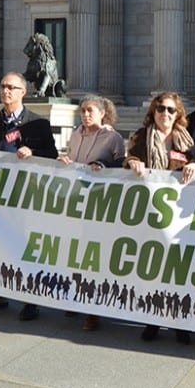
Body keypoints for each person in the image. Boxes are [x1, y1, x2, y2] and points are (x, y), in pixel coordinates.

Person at [0, 72, 58, 322]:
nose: (6, 91)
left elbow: (52, 154)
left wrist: (32, 151)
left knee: (26, 247)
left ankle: (31, 299)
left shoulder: (37, 123)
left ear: (23, 92)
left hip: (27, 194)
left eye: (12, 87)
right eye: (3, 86)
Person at [125, 91, 195, 344]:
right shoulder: (141, 136)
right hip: (150, 212)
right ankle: (153, 320)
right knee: (154, 268)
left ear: (178, 114)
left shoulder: (187, 141)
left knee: (177, 271)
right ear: (152, 112)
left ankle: (181, 323)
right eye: (160, 109)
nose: (165, 114)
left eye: (170, 110)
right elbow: (129, 157)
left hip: (177, 215)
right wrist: (133, 162)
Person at [59, 94, 125, 330]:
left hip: (99, 204)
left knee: (93, 258)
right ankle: (77, 297)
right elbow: (74, 158)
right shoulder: (76, 134)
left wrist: (104, 167)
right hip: (77, 200)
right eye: (82, 111)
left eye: (90, 111)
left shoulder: (113, 138)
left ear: (102, 112)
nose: (85, 115)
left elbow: (121, 168)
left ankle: (93, 309)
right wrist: (66, 161)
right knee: (75, 252)